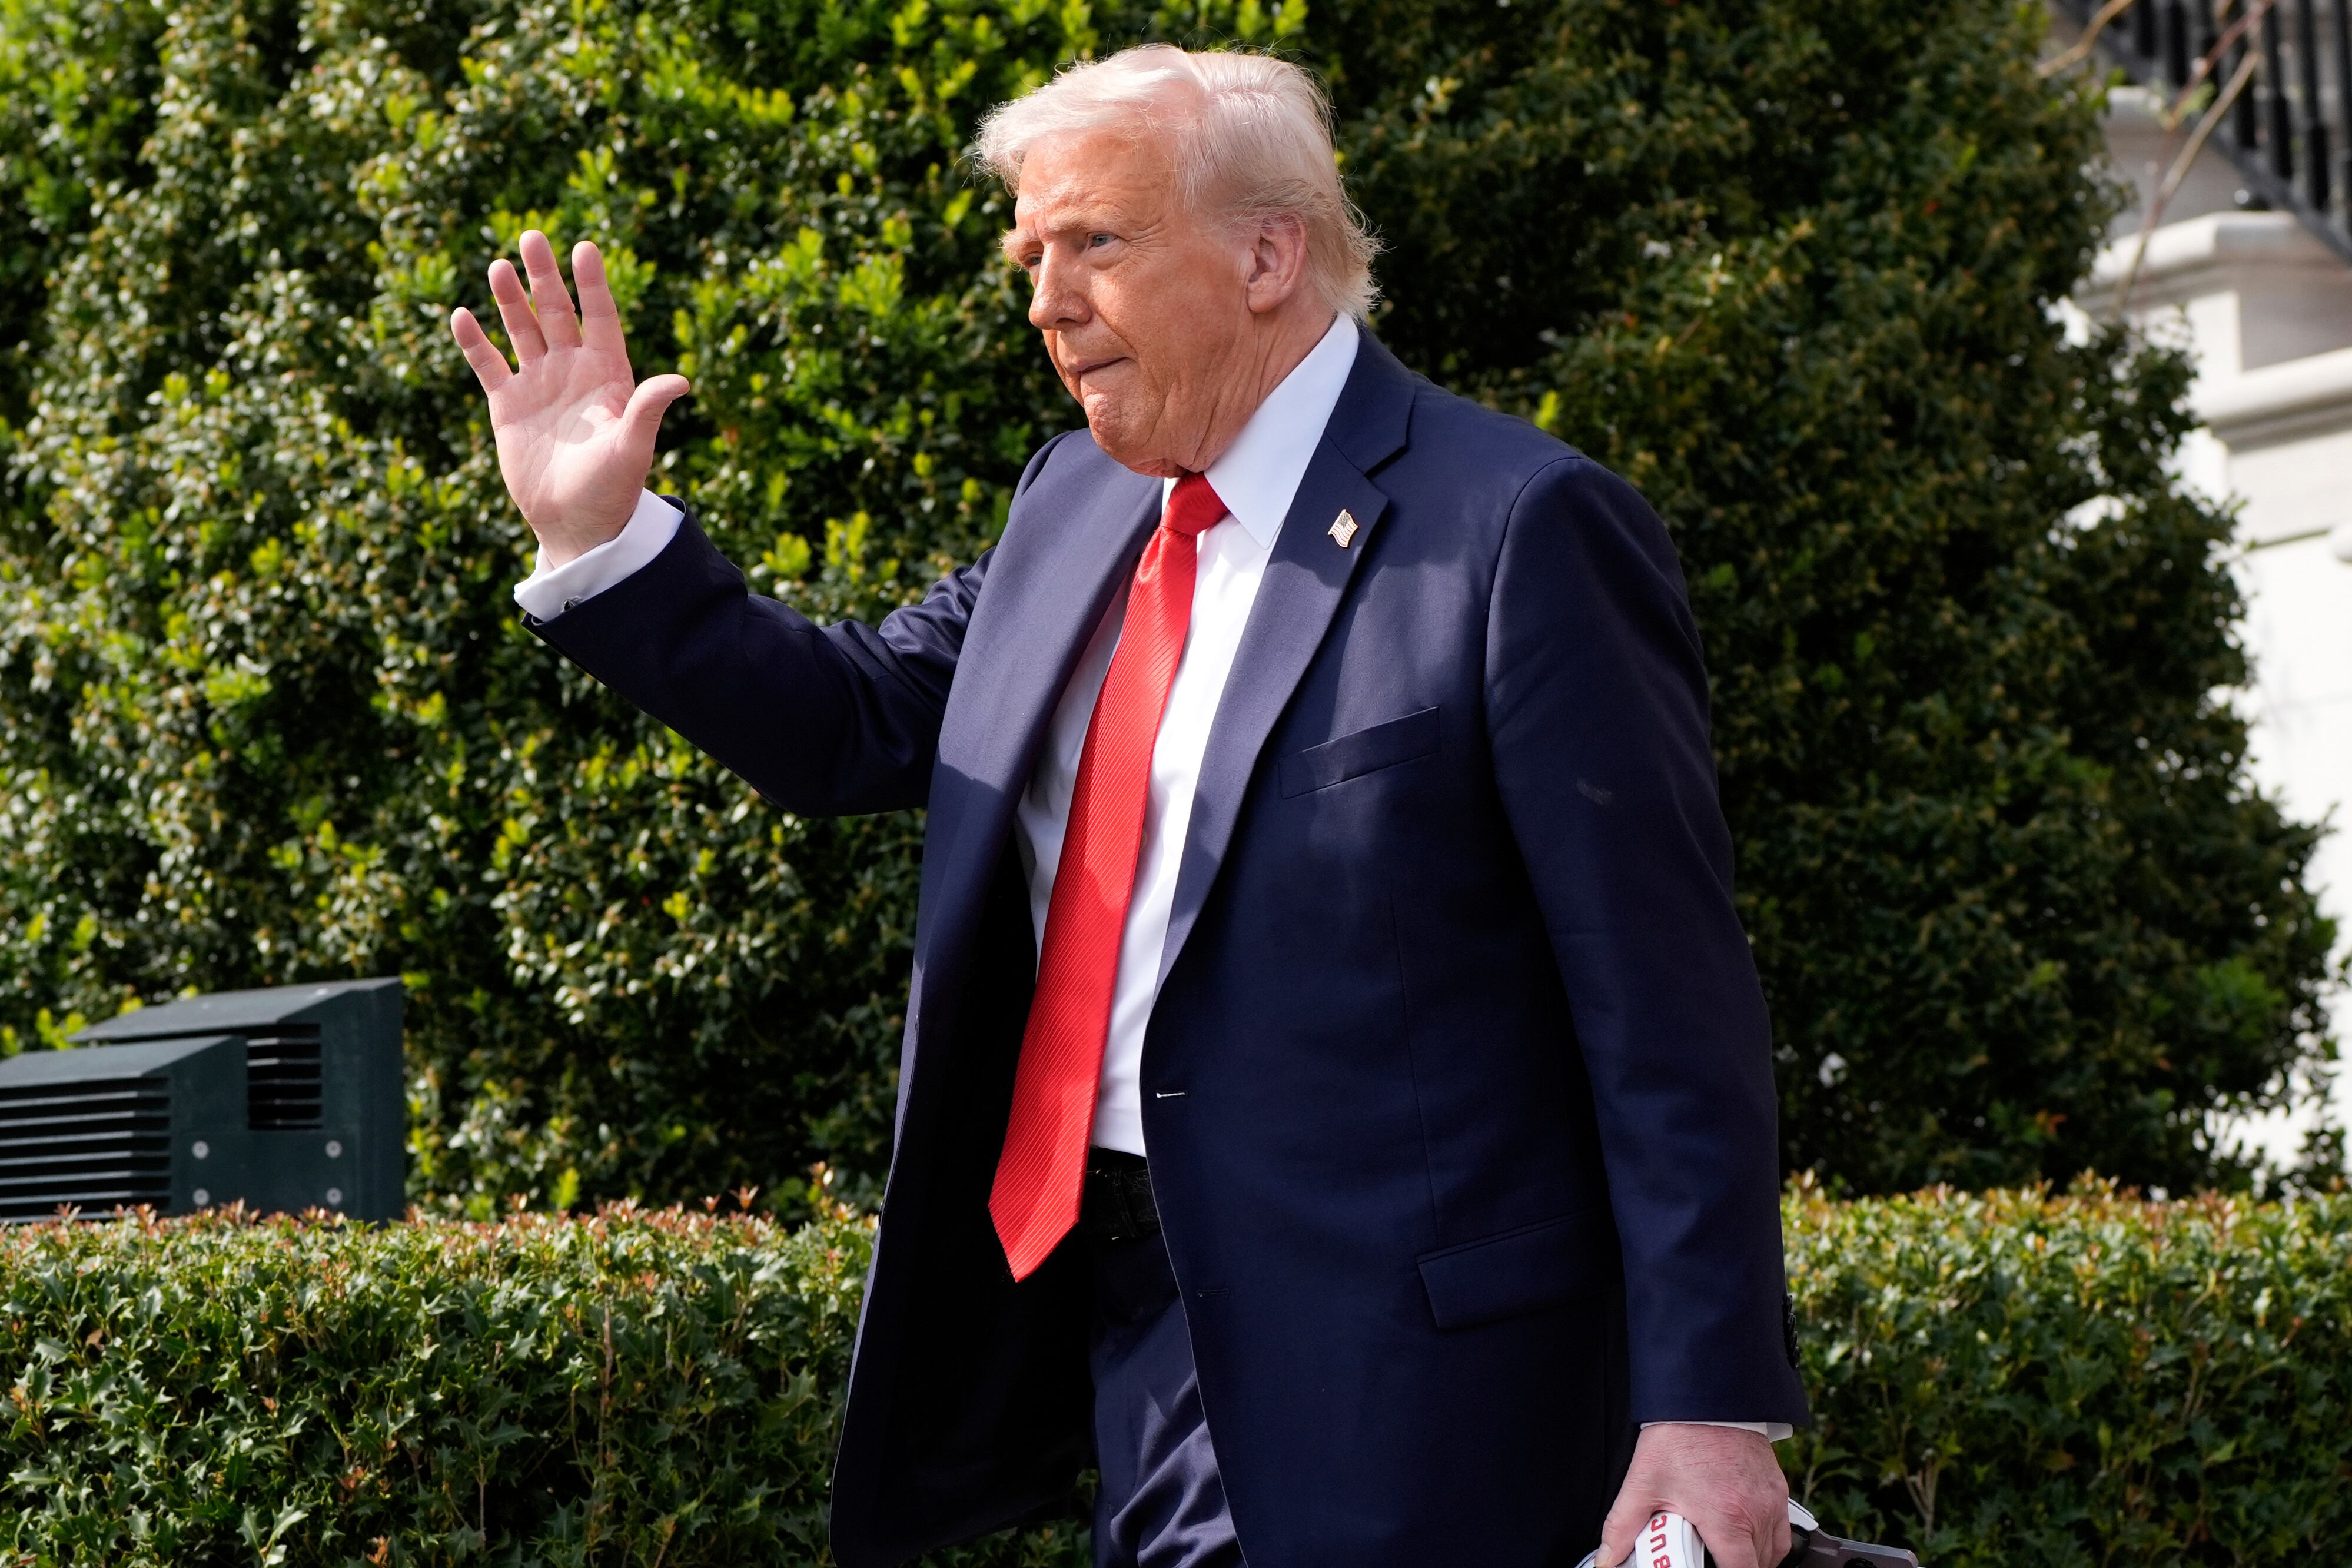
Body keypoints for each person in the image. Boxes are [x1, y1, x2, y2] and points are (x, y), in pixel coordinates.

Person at [450, 43, 1808, 1568]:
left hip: (1428, 1388)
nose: (1041, 299)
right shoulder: (1074, 505)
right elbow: (852, 728)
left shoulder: (1518, 530)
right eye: (1032, 255)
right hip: (1135, 1341)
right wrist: (608, 540)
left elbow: (1666, 1011)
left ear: (1265, 254)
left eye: (1094, 242)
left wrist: (1710, 1410)